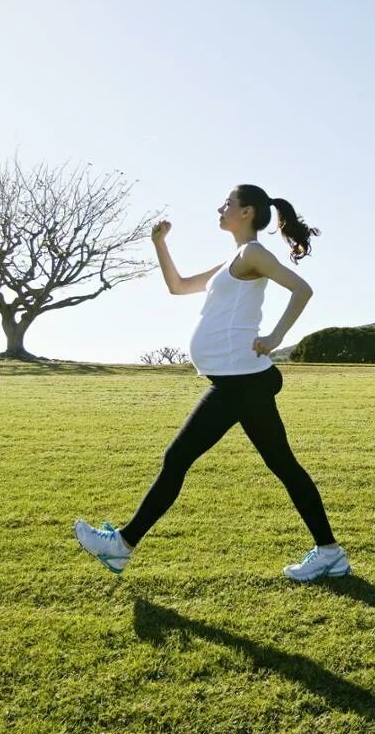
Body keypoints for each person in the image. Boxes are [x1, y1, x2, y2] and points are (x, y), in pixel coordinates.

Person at [74, 185, 349, 582]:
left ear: (248, 212)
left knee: (178, 458)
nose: (220, 208)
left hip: (239, 380)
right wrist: (159, 244)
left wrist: (274, 338)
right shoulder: (233, 260)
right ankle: (330, 553)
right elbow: (179, 286)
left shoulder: (253, 253)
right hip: (240, 381)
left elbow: (302, 290)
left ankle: (122, 545)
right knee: (283, 465)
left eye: (228, 204)